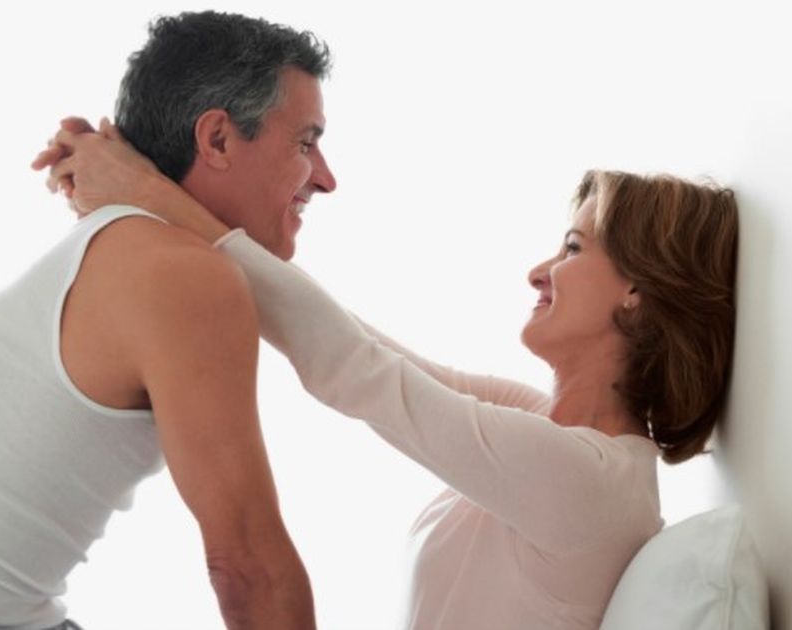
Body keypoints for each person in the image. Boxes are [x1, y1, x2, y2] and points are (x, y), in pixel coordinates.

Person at [37, 120, 739, 629]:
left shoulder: (588, 480)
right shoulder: (539, 424)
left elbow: (350, 366)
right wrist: (151, 197)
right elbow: (356, 344)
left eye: (573, 248)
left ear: (637, 290)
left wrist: (143, 190)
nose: (539, 271)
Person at [0, 11, 336, 630]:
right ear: (216, 139)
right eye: (305, 143)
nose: (326, 179)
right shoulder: (181, 275)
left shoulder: (121, 245)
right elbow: (248, 571)